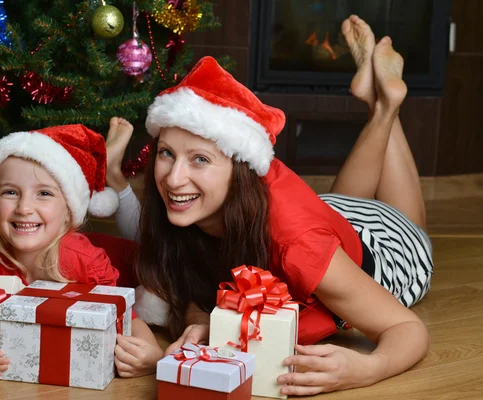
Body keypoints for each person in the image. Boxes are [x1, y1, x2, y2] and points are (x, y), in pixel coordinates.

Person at [105, 15, 434, 396]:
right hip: (332, 215)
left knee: (413, 224)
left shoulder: (299, 244)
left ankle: (386, 106)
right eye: (166, 153)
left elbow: (408, 330)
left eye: (199, 160)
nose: (174, 179)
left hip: (386, 247)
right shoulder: (203, 202)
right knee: (335, 209)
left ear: (240, 168)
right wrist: (209, 323)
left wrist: (366, 368)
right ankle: (379, 101)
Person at [0, 124, 163, 381]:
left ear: (68, 210)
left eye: (43, 193)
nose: (24, 208)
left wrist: (154, 355)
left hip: (128, 259)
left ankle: (110, 166)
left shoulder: (84, 261)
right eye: (10, 192)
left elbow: (130, 318)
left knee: (157, 277)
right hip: (67, 240)